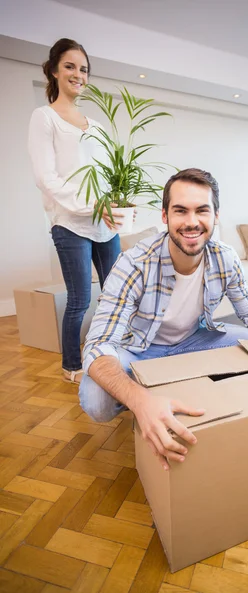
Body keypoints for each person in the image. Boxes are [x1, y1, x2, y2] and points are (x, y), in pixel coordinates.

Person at [79, 168, 248, 470]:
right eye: (180, 211)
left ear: (215, 216)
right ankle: (150, 398)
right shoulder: (134, 263)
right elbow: (97, 345)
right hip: (137, 349)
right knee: (97, 400)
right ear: (165, 216)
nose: (191, 222)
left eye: (202, 210)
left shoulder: (224, 257)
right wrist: (139, 401)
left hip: (195, 339)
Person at [28, 38, 129, 384]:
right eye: (70, 66)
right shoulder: (44, 118)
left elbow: (107, 176)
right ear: (55, 70)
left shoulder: (97, 125)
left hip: (106, 225)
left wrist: (117, 202)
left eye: (83, 69)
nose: (78, 74)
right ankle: (72, 364)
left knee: (115, 294)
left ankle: (107, 350)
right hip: (70, 223)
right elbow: (46, 178)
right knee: (80, 299)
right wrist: (92, 206)